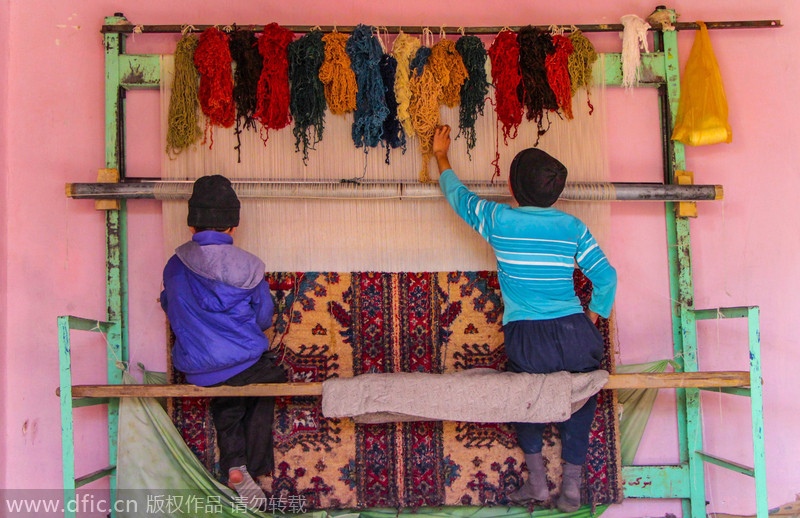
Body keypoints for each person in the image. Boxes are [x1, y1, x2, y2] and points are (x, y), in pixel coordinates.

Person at [432, 126, 617, 512]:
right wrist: (592, 318)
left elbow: (458, 197)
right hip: (575, 333)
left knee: (525, 401)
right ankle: (571, 489)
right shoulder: (572, 228)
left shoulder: (500, 221)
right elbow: (607, 277)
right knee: (580, 401)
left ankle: (537, 482)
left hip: (528, 338)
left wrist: (441, 156)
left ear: (515, 190)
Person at [160, 174, 286, 509]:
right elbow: (263, 320)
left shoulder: (173, 267)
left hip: (199, 372)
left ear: (191, 226)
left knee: (226, 397)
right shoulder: (249, 265)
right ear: (233, 225)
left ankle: (235, 465)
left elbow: (171, 308)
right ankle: (255, 466)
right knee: (269, 380)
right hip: (244, 366)